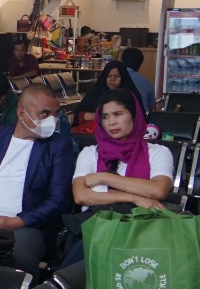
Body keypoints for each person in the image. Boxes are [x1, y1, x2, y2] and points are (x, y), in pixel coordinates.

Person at [0, 84, 77, 272]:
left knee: (19, 257)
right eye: (44, 114)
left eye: (55, 114)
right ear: (21, 113)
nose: (52, 121)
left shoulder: (58, 146)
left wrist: (18, 221)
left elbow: (59, 199)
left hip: (27, 226)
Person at [63, 90, 175, 264]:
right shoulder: (90, 153)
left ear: (134, 115)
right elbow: (81, 196)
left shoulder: (158, 152)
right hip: (95, 228)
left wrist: (104, 178)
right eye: (105, 116)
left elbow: (158, 190)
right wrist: (133, 198)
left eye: (118, 114)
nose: (111, 122)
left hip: (141, 231)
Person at [74, 60, 140, 127]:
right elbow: (78, 115)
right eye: (109, 76)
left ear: (123, 78)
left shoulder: (130, 96)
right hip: (93, 134)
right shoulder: (96, 92)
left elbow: (138, 118)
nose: (112, 79)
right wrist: (102, 116)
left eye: (116, 76)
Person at [120, 47, 156, 112]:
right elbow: (152, 109)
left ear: (122, 61)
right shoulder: (148, 83)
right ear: (140, 64)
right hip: (142, 119)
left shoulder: (113, 80)